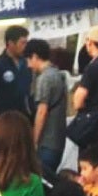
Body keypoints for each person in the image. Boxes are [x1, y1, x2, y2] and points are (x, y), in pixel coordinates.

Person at [27, 38, 68, 180]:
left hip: (47, 142)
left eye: (28, 60)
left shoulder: (45, 79)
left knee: (42, 180)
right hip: (58, 140)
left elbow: (41, 112)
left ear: (34, 56)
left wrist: (34, 141)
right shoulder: (58, 74)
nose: (28, 65)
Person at [0, 25, 32, 117]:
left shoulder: (29, 63)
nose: (25, 47)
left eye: (26, 43)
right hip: (6, 117)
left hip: (27, 116)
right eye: (23, 43)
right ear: (10, 43)